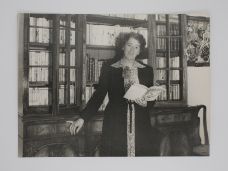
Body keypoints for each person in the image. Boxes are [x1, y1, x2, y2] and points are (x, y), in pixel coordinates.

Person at [68, 32, 160, 156]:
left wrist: (146, 103)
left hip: (141, 125)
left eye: (136, 47)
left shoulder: (147, 70)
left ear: (140, 50)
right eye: (129, 45)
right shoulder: (109, 67)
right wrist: (82, 118)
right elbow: (99, 95)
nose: (132, 50)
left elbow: (150, 99)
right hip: (115, 124)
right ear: (123, 46)